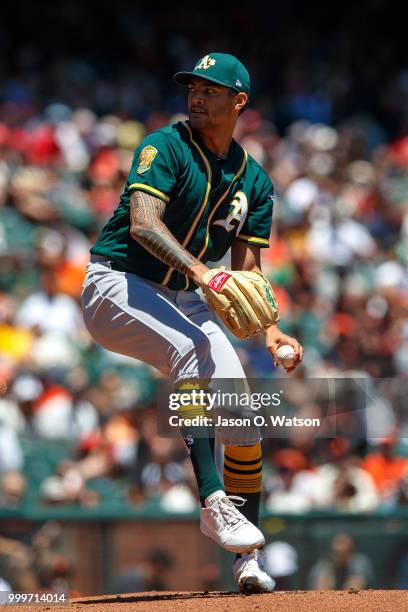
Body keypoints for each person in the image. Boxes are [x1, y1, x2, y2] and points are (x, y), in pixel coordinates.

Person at [81, 52, 303, 593]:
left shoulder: (256, 182)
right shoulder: (165, 145)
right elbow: (142, 224)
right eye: (193, 87)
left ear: (238, 102)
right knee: (192, 353)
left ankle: (248, 559)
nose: (197, 96)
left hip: (186, 296)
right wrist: (204, 272)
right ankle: (212, 502)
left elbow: (246, 272)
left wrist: (271, 331)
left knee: (243, 421)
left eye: (210, 89)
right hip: (116, 284)